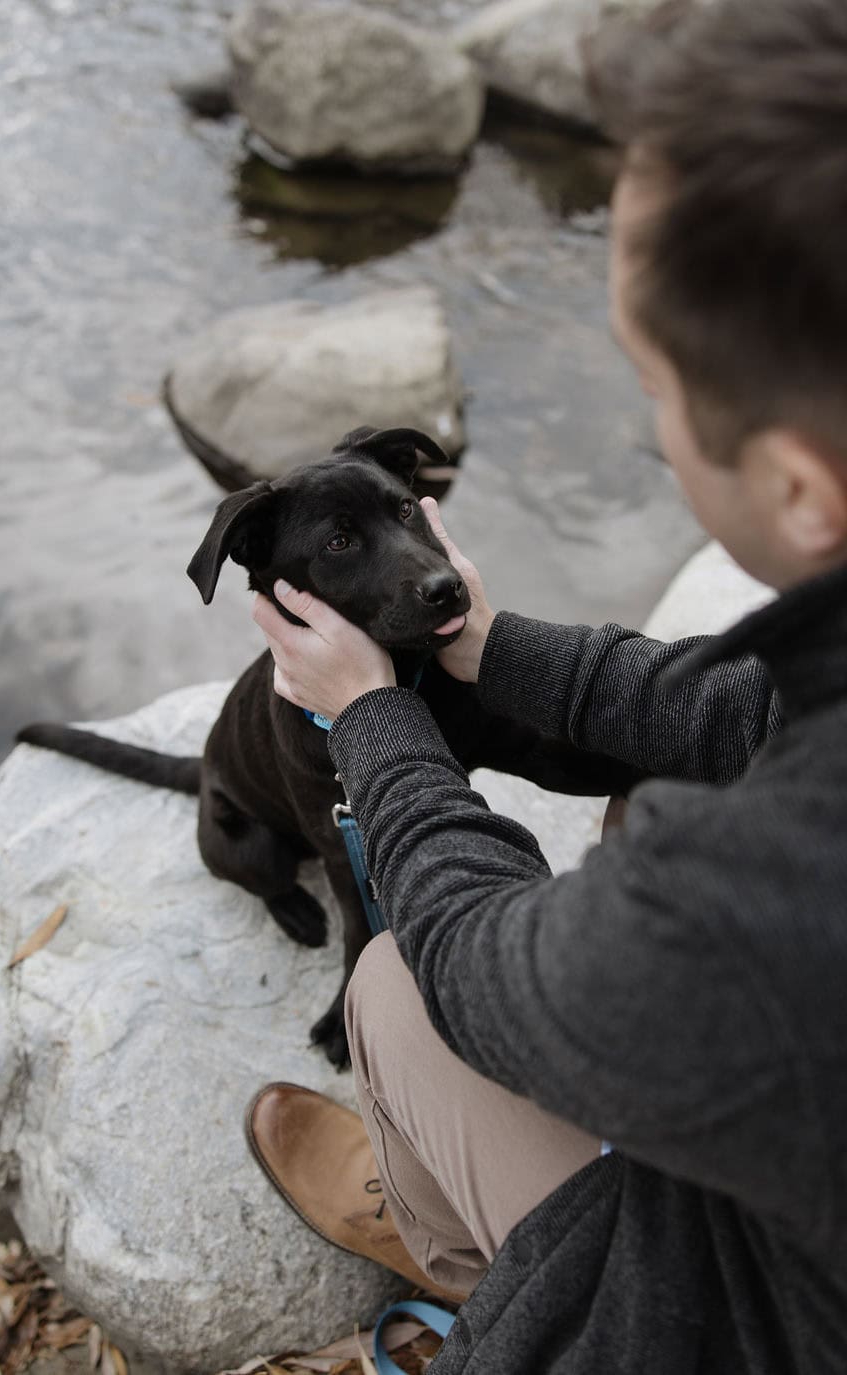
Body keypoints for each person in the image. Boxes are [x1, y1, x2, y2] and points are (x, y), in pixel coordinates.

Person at [248, 0, 847, 1369]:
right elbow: (741, 716)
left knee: (396, 987)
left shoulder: (762, 900)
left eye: (654, 383)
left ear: (801, 487)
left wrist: (377, 723)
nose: (651, 425)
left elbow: (482, 964)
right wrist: (487, 642)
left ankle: (494, 1283)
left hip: (720, 1318)